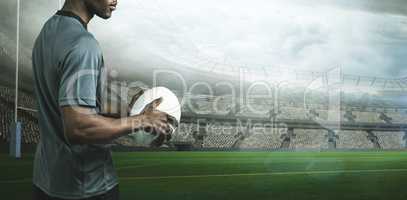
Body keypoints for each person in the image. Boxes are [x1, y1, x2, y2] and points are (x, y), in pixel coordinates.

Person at [31, 0, 171, 199]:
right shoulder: (83, 44)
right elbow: (78, 126)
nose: (116, 1)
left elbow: (78, 104)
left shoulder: (48, 32)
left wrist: (129, 110)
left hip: (46, 182)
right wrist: (142, 120)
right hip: (86, 187)